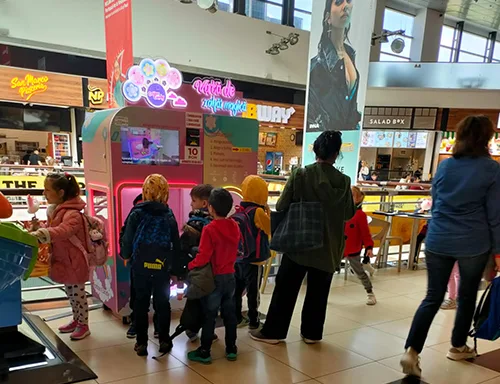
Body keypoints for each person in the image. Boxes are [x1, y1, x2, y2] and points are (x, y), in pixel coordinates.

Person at [400, 116, 500, 378]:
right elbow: (495, 215)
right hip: (473, 242)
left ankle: (411, 350)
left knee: (432, 296)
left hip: (438, 239)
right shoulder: (491, 169)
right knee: (466, 296)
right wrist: (498, 250)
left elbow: (437, 199)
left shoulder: (445, 166)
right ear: (487, 138)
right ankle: (457, 346)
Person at [251, 131, 355, 345]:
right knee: (319, 293)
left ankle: (274, 332)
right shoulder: (344, 182)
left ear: (316, 150)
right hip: (329, 247)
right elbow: (348, 214)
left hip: (299, 243)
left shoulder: (300, 175)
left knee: (286, 289)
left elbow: (281, 206)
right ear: (336, 154)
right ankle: (312, 334)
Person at [120, 174, 180, 357]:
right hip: (161, 267)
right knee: (162, 304)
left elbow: (128, 239)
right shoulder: (168, 214)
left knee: (140, 304)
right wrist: (176, 270)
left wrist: (126, 255)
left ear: (144, 192)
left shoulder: (137, 212)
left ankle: (141, 343)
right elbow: (175, 244)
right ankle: (163, 340)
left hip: (140, 266)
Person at [31, 173, 90, 340]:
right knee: (70, 293)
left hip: (75, 260)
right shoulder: (56, 211)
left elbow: (64, 231)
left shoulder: (73, 214)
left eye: (47, 190)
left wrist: (44, 233)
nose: (44, 193)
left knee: (79, 294)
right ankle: (76, 319)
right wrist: (40, 226)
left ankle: (83, 324)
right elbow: (55, 228)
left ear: (61, 192)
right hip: (64, 260)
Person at [187, 188, 240, 364]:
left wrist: (190, 265)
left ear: (210, 208)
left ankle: (205, 351)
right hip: (230, 276)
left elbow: (203, 256)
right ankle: (231, 349)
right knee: (229, 314)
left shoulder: (209, 230)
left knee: (209, 315)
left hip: (214, 278)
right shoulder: (234, 226)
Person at [307, 0, 361, 132]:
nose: (345, 6)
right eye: (338, 2)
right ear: (328, 18)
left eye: (348, 1)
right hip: (328, 140)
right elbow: (313, 116)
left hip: (347, 141)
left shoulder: (350, 55)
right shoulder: (317, 67)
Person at [234, 175, 271, 329]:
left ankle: (236, 318)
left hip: (239, 259)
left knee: (236, 291)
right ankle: (254, 321)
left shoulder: (240, 210)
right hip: (254, 260)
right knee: (252, 292)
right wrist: (267, 213)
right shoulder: (257, 212)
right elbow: (269, 229)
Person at [178, 184, 214, 342]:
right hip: (213, 271)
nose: (191, 204)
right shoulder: (217, 222)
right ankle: (207, 331)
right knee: (209, 303)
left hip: (195, 270)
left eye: (193, 200)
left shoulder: (193, 225)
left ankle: (191, 328)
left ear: (204, 204)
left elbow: (183, 247)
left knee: (194, 300)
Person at [123, 194, 160, 340]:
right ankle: (157, 329)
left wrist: (126, 254)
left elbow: (126, 236)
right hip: (157, 261)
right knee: (156, 297)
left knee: (141, 296)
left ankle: (140, 329)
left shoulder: (137, 213)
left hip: (141, 260)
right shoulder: (165, 212)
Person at [344, 186, 376, 305]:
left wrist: (369, 246)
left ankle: (370, 292)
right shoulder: (340, 212)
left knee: (359, 272)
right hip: (339, 248)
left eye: (352, 196)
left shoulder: (360, 215)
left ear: (358, 199)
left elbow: (365, 233)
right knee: (328, 271)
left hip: (353, 248)